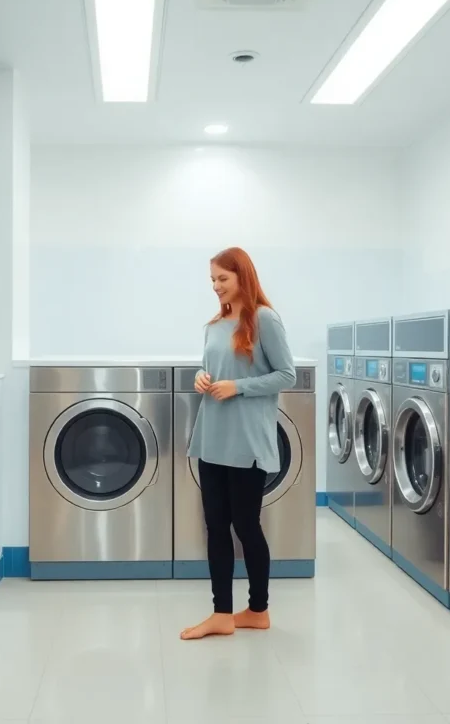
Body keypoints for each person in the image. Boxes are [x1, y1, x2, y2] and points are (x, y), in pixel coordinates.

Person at [180, 246, 296, 641]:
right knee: (215, 527)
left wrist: (239, 387)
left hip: (247, 442)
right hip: (211, 439)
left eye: (222, 279)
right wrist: (202, 376)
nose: (215, 287)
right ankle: (222, 613)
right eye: (212, 280)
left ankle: (259, 609)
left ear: (242, 277)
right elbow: (213, 367)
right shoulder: (215, 324)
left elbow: (286, 375)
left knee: (246, 525)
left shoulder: (265, 320)